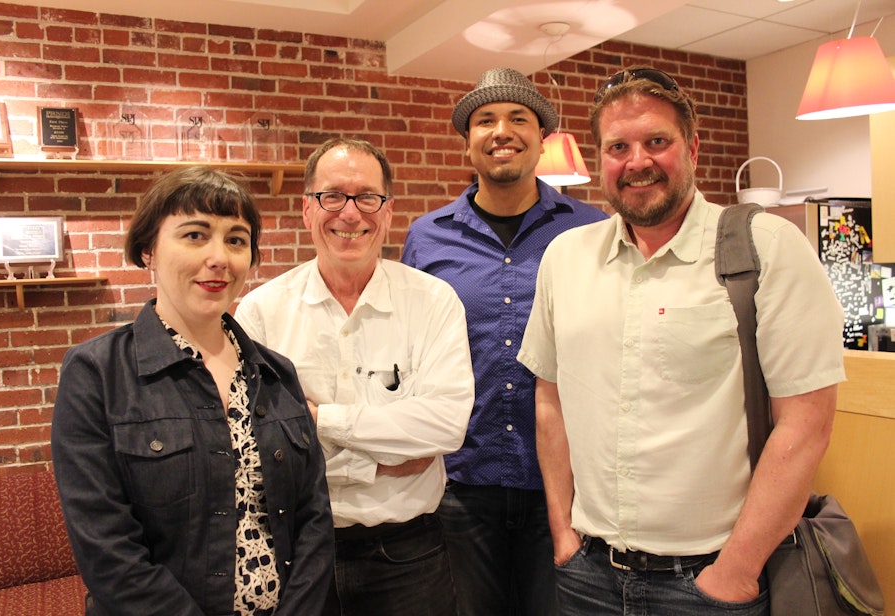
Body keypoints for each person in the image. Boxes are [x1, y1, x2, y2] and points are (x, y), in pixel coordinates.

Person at [517, 66, 846, 615]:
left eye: (657, 141)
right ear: (601, 158)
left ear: (691, 146)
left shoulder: (766, 247)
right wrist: (563, 535)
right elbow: (549, 399)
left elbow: (807, 423)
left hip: (710, 583)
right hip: (587, 574)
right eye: (618, 146)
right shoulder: (565, 259)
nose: (637, 161)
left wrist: (735, 574)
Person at [51, 166, 334, 616]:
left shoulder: (276, 372)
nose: (220, 257)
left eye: (237, 240)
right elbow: (105, 547)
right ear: (149, 251)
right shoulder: (96, 372)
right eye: (196, 235)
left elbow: (314, 518)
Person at [234, 138, 475, 616]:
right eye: (332, 196)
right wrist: (379, 464)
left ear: (387, 212)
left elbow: (446, 425)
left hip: (409, 555)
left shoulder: (434, 301)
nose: (350, 213)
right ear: (307, 209)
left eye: (367, 196)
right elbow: (259, 446)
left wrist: (317, 419)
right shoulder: (261, 311)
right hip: (296, 551)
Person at [401, 67, 608, 616]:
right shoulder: (427, 236)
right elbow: (406, 347)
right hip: (460, 481)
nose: (502, 130)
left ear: (543, 139)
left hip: (565, 485)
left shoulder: (591, 230)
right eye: (485, 120)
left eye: (519, 118)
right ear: (467, 142)